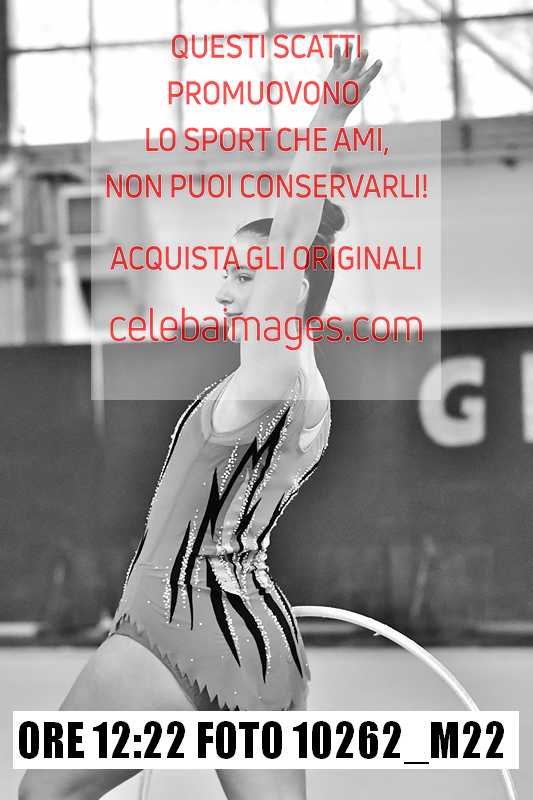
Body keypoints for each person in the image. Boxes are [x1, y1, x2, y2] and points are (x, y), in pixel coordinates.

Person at [19, 44, 382, 800]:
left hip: (179, 618)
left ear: (290, 288)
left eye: (245, 276)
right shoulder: (300, 387)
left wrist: (326, 119)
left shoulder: (274, 373)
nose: (224, 292)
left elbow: (291, 237)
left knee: (43, 794)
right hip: (248, 630)